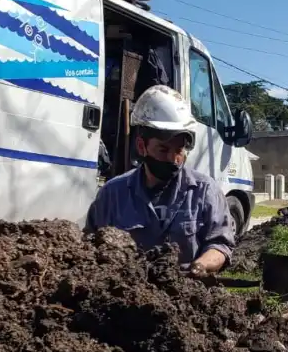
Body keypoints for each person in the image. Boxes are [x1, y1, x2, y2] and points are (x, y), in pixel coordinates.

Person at [85, 85, 235, 277]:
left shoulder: (205, 191)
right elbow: (90, 246)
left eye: (179, 150)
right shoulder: (112, 194)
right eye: (163, 150)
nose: (173, 159)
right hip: (125, 290)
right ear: (142, 146)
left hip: (186, 290)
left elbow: (221, 245)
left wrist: (200, 266)